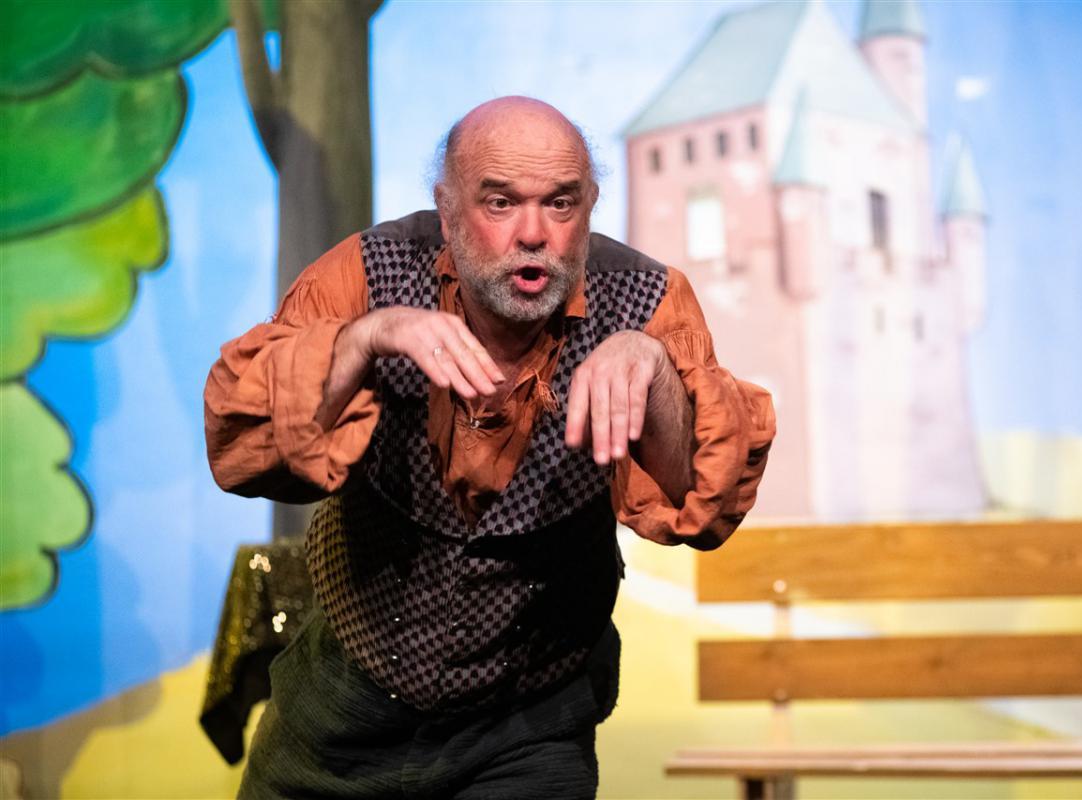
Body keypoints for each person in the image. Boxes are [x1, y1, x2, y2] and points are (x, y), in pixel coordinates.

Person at [205, 96, 774, 799]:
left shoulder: (648, 300)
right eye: (500, 203)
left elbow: (702, 502)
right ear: (447, 210)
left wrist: (653, 371)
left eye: (560, 204)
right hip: (344, 704)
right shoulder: (367, 273)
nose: (533, 234)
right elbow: (244, 447)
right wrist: (363, 340)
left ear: (590, 207)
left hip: (530, 720)